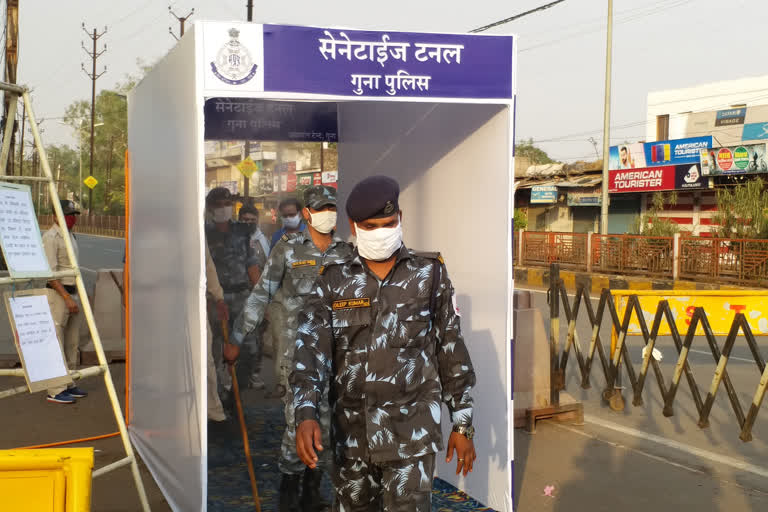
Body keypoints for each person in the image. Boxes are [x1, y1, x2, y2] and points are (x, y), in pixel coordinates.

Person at [291, 176, 477, 511]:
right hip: (353, 437)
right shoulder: (334, 279)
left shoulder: (429, 274)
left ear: (400, 218)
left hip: (412, 437)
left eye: (388, 223)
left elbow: (450, 347)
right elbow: (310, 350)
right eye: (371, 225)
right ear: (353, 225)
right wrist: (305, 412)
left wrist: (463, 423)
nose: (381, 231)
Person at [231, 185, 353, 512]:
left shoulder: (347, 252)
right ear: (307, 213)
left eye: (331, 206)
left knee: (327, 428)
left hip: (335, 357)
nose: (327, 212)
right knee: (297, 425)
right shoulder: (288, 249)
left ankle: (311, 493)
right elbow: (261, 294)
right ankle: (289, 495)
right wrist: (236, 338)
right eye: (320, 207)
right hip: (295, 357)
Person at [205, 187, 264, 393]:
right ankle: (219, 395)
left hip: (242, 297)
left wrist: (260, 297)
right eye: (218, 205)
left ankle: (239, 390)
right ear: (210, 208)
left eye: (227, 204)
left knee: (249, 347)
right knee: (216, 350)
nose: (223, 209)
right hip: (215, 299)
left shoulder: (242, 230)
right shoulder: (203, 232)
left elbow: (251, 264)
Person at [42, 200, 88, 404]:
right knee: (56, 342)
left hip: (73, 293)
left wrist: (76, 296)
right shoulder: (50, 237)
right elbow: (51, 274)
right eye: (68, 214)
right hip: (58, 295)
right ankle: (55, 389)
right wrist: (67, 297)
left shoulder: (70, 235)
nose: (72, 218)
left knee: (72, 342)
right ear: (55, 215)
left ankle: (69, 382)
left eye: (74, 214)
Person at [205, 240, 229, 424]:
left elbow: (208, 266)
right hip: (158, 303)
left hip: (192, 305)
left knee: (206, 360)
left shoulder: (192, 229)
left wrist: (218, 297)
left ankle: (212, 409)